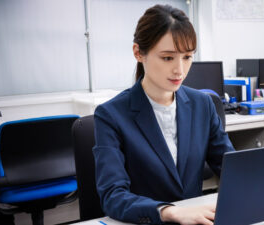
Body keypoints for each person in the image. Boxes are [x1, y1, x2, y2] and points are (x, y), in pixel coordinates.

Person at [93, 4, 235, 225]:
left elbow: (230, 168)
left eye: (187, 57)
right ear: (138, 53)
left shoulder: (203, 105)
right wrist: (169, 211)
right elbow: (113, 196)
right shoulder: (110, 115)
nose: (180, 69)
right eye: (168, 58)